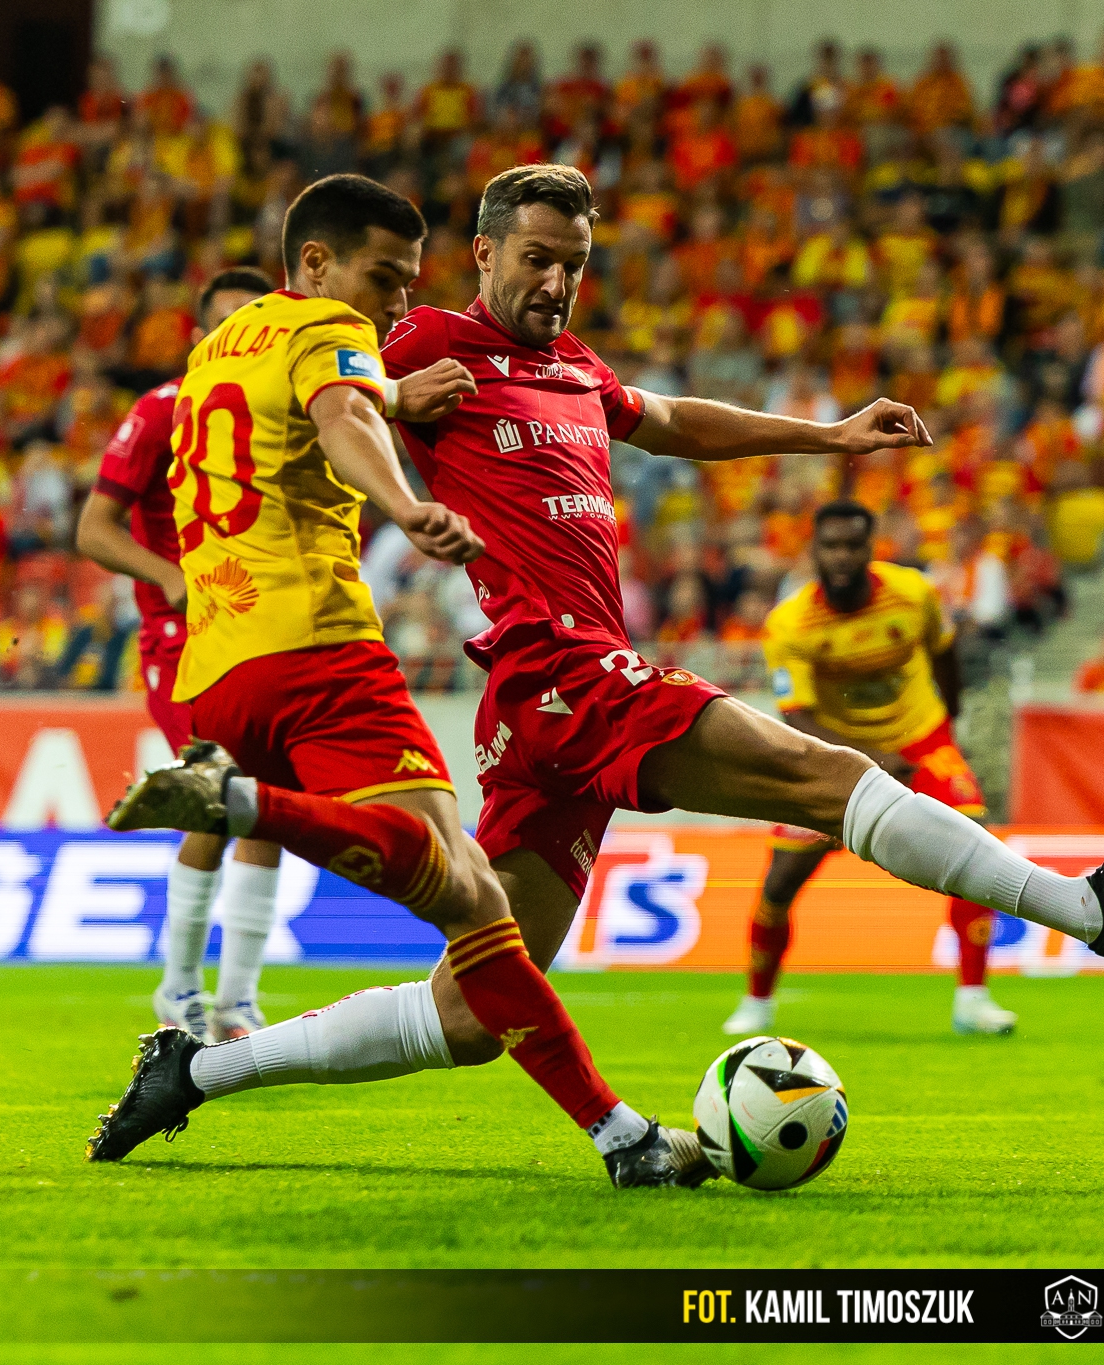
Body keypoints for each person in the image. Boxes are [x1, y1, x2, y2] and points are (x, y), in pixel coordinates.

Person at [112, 165, 1104, 1182]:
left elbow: (668, 422)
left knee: (473, 1008)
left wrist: (827, 437)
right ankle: (1088, 910)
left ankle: (193, 1070)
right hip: (561, 665)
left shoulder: (575, 366)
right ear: (482, 254)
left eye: (573, 263)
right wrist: (391, 400)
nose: (554, 282)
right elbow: (322, 388)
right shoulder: (425, 338)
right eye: (535, 258)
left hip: (542, 711)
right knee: (818, 775)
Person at [89, 174, 711, 1189]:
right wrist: (403, 501)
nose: (396, 305)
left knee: (467, 900)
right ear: (317, 264)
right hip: (316, 648)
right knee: (469, 896)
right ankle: (237, 804)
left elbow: (325, 405)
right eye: (383, 279)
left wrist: (391, 393)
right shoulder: (331, 327)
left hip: (216, 667)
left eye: (409, 283)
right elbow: (341, 413)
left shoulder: (219, 347)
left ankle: (620, 1135)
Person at [76, 265, 284, 1044]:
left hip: (262, 635)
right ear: (198, 336)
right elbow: (93, 528)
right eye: (223, 323)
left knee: (268, 809)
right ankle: (180, 986)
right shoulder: (163, 409)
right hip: (184, 638)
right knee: (219, 793)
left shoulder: (284, 411)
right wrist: (167, 576)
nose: (236, 337)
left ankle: (239, 1001)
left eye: (250, 323)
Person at [723, 500, 1018, 1039]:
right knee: (781, 880)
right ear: (814, 552)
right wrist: (874, 761)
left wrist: (946, 723)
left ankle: (974, 1000)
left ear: (870, 549)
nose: (841, 556)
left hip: (918, 741)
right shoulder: (790, 623)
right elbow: (797, 718)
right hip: (834, 756)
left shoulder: (914, 593)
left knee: (974, 840)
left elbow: (944, 652)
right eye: (830, 546)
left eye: (853, 545)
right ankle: (756, 1002)